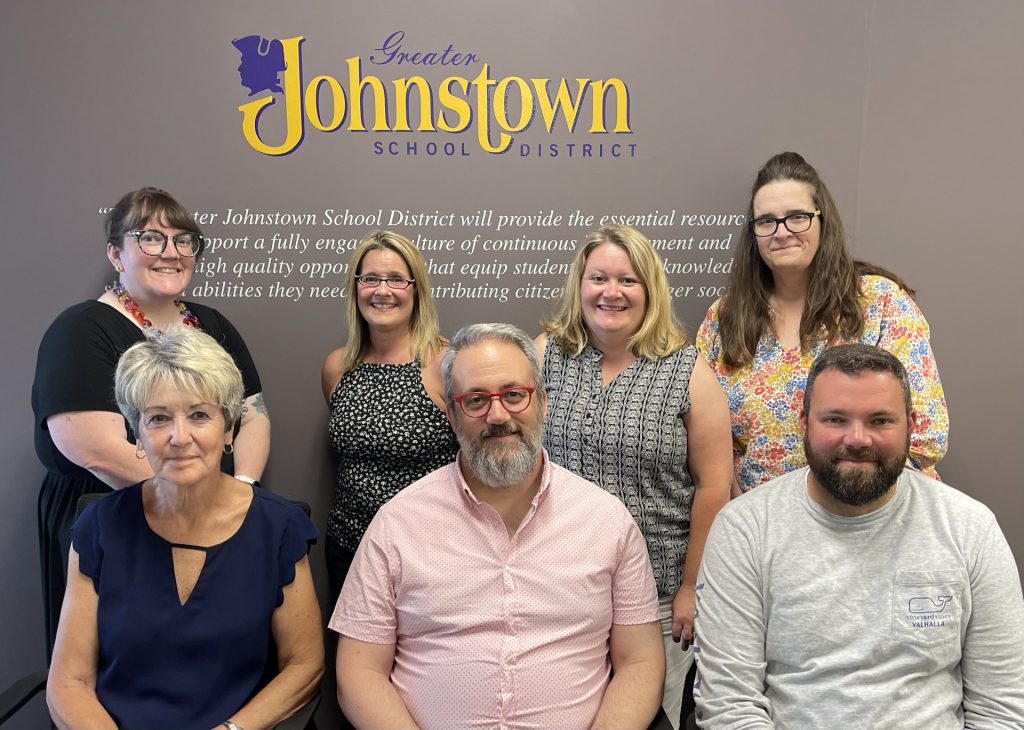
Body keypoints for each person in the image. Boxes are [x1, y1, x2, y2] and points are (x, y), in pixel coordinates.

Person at [330, 323, 665, 730]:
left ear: (541, 401)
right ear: (451, 415)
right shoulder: (397, 523)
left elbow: (640, 662)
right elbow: (358, 673)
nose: (498, 415)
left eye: (513, 395)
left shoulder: (607, 521)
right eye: (475, 401)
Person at [693, 344, 1024, 728]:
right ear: (804, 422)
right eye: (835, 419)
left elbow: (1000, 707)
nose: (857, 438)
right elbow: (730, 707)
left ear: (912, 425)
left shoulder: (970, 529)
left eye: (880, 421)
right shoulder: (745, 530)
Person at [32, 187, 270, 656]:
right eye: (151, 239)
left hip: (216, 519)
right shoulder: (82, 329)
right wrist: (191, 507)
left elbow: (252, 414)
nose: (171, 253)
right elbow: (95, 448)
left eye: (184, 241)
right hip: (111, 520)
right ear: (115, 253)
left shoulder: (212, 324)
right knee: (114, 667)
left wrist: (239, 493)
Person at [46, 330, 322, 730]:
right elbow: (69, 682)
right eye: (158, 418)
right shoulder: (99, 528)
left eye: (199, 415)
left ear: (228, 430)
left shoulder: (278, 528)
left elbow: (304, 665)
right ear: (137, 434)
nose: (179, 437)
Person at [537, 224, 732, 727]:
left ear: (650, 290)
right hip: (559, 586)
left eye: (628, 280)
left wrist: (693, 587)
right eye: (598, 277)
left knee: (645, 718)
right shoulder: (544, 356)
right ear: (580, 285)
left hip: (657, 594)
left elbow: (714, 487)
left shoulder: (689, 371)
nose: (611, 292)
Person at [696, 151, 948, 493]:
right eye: (766, 221)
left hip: (867, 513)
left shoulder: (880, 303)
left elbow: (925, 435)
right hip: (760, 521)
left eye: (797, 217)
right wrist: (741, 507)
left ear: (822, 220)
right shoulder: (724, 318)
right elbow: (705, 436)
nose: (781, 232)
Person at [320, 230, 458, 605]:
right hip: (349, 547)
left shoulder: (445, 363)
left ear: (416, 290)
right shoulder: (337, 367)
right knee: (354, 662)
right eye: (370, 279)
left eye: (397, 279)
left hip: (430, 553)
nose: (383, 291)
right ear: (356, 288)